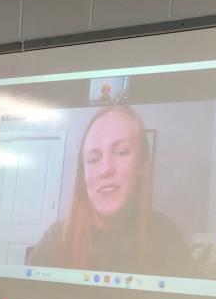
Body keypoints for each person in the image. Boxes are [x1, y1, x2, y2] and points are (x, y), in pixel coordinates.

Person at [24, 104, 192, 276]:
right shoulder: (56, 241)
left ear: (141, 165)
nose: (105, 169)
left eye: (121, 152)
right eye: (93, 159)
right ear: (83, 176)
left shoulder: (165, 236)